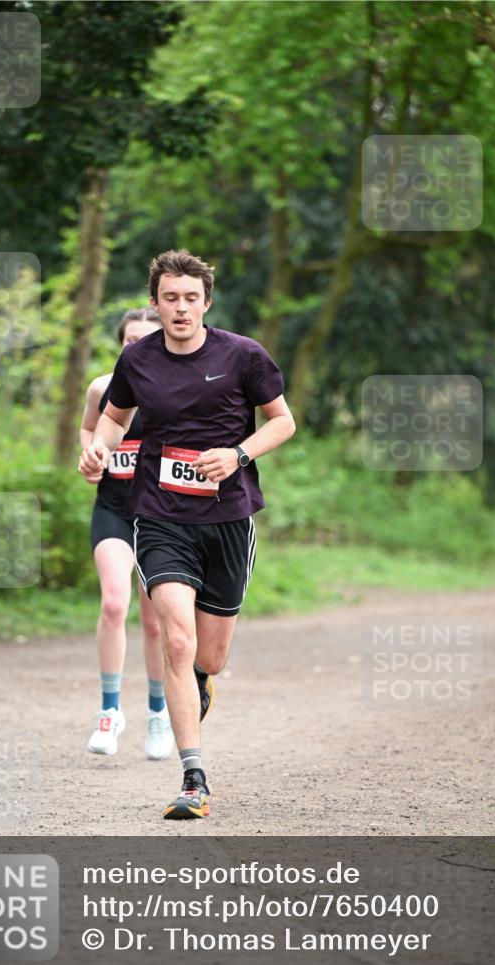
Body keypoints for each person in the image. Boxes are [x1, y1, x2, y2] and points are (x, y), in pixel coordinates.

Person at [79, 249, 295, 819]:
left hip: (227, 519)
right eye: (170, 298)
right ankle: (193, 779)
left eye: (190, 298)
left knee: (210, 656)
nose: (180, 308)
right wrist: (99, 446)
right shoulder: (138, 360)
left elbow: (283, 420)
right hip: (159, 517)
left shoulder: (243, 355)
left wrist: (239, 453)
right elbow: (115, 416)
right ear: (156, 302)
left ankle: (202, 678)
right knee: (176, 639)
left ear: (207, 302)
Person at [79, 307, 174, 762]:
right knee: (115, 603)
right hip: (114, 511)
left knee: (155, 621)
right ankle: (110, 711)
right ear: (120, 344)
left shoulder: (174, 393)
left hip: (160, 518)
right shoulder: (102, 388)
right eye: (129, 341)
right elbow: (87, 429)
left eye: (145, 341)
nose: (136, 348)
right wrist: (92, 457)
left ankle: (158, 712)